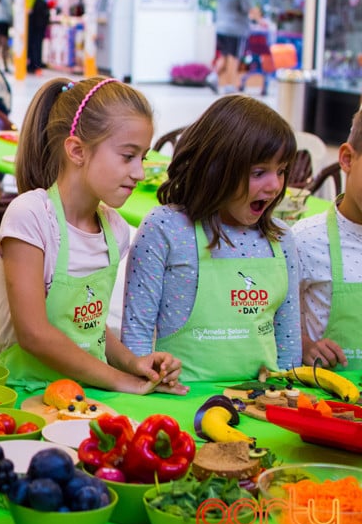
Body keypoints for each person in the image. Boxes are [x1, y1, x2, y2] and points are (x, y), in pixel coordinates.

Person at [0, 77, 185, 395]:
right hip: (32, 393)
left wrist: (131, 363)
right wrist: (120, 380)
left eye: (144, 158)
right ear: (77, 151)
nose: (139, 173)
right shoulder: (31, 217)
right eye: (128, 156)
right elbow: (34, 334)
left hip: (92, 394)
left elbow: (87, 327)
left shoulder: (115, 229)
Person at [121, 95, 299, 382]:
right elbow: (137, 341)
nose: (275, 185)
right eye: (259, 172)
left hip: (262, 406)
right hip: (179, 404)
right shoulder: (165, 228)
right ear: (216, 168)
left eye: (281, 171)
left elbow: (289, 348)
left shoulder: (281, 239)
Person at [293, 110, 362, 369]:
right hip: (324, 401)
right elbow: (268, 323)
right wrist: (305, 346)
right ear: (346, 158)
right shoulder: (305, 240)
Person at [209, 0, 253, 94]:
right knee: (233, 57)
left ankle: (212, 77)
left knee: (223, 55)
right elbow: (246, 8)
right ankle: (230, 86)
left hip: (221, 27)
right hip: (235, 29)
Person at [25, 0, 49, 74]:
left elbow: (29, 7)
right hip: (40, 21)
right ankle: (37, 64)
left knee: (31, 43)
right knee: (38, 43)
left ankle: (32, 65)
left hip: (32, 21)